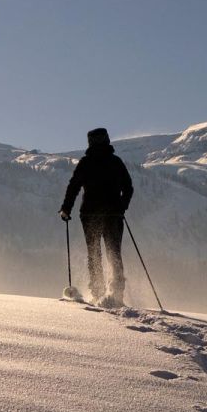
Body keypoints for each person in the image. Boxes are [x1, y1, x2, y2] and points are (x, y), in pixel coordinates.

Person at [59, 127, 133, 307]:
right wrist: (122, 206)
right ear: (107, 140)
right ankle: (117, 295)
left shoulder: (86, 163)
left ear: (89, 142)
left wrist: (66, 209)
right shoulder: (115, 162)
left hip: (90, 215)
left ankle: (98, 293)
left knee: (94, 253)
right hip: (113, 215)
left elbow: (73, 187)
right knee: (114, 253)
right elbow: (128, 187)